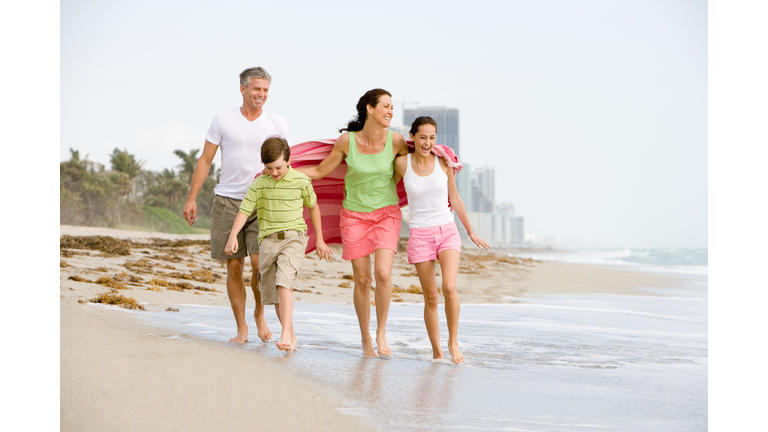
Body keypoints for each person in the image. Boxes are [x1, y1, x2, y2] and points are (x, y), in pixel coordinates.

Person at [296, 89, 409, 357]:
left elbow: (411, 169)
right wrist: (285, 170)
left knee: (382, 274)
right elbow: (322, 170)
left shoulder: (397, 141)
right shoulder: (346, 142)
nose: (390, 111)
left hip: (387, 214)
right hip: (354, 216)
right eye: (386, 106)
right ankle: (365, 339)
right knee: (362, 279)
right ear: (370, 109)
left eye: (392, 107)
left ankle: (381, 332)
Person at [183, 66, 289, 344]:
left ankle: (259, 313)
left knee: (259, 264)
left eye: (265, 90)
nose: (261, 95)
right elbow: (205, 160)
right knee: (233, 267)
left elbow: (285, 166)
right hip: (228, 201)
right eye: (257, 89)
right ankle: (241, 328)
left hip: (262, 203)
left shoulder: (277, 123)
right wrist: (192, 197)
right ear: (243, 89)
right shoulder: (222, 120)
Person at [393, 116, 490, 364]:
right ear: (413, 137)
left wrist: (470, 231)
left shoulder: (444, 162)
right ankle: (437, 351)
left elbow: (455, 198)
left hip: (446, 229)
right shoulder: (402, 164)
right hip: (419, 234)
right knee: (431, 297)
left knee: (449, 287)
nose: (427, 142)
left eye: (432, 137)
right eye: (422, 137)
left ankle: (453, 342)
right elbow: (387, 191)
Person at [224, 137, 332, 351]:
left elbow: (313, 206)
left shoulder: (301, 181)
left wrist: (319, 238)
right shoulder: (259, 183)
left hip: (294, 238)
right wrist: (233, 235)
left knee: (284, 282)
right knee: (274, 294)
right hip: (267, 242)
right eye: (269, 168)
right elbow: (244, 211)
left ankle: (284, 336)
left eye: (279, 167)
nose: (274, 172)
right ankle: (291, 335)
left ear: (288, 161)